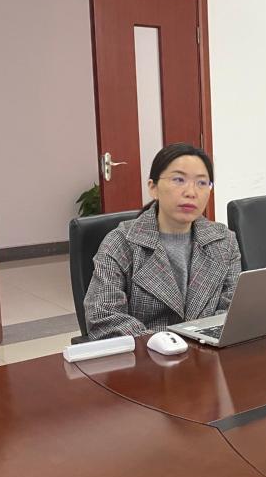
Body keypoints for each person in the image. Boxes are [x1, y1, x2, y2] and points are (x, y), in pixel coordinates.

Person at [84, 143, 241, 339]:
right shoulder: (121, 242)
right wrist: (166, 344)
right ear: (153, 188)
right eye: (178, 180)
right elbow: (103, 316)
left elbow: (233, 308)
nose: (191, 192)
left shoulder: (224, 240)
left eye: (202, 183)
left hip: (208, 350)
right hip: (146, 352)